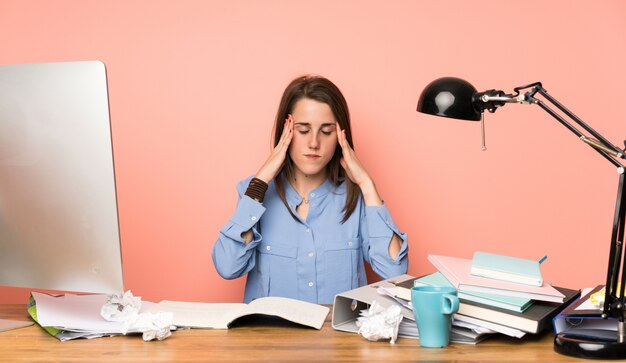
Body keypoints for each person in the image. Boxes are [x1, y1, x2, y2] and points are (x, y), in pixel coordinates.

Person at [212, 75, 408, 304]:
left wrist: (366, 184)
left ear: (341, 136)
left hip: (339, 340)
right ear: (286, 131)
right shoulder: (254, 194)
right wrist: (262, 180)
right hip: (271, 338)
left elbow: (395, 272)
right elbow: (228, 267)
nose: (314, 143)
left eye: (326, 132)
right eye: (303, 130)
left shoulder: (358, 197)